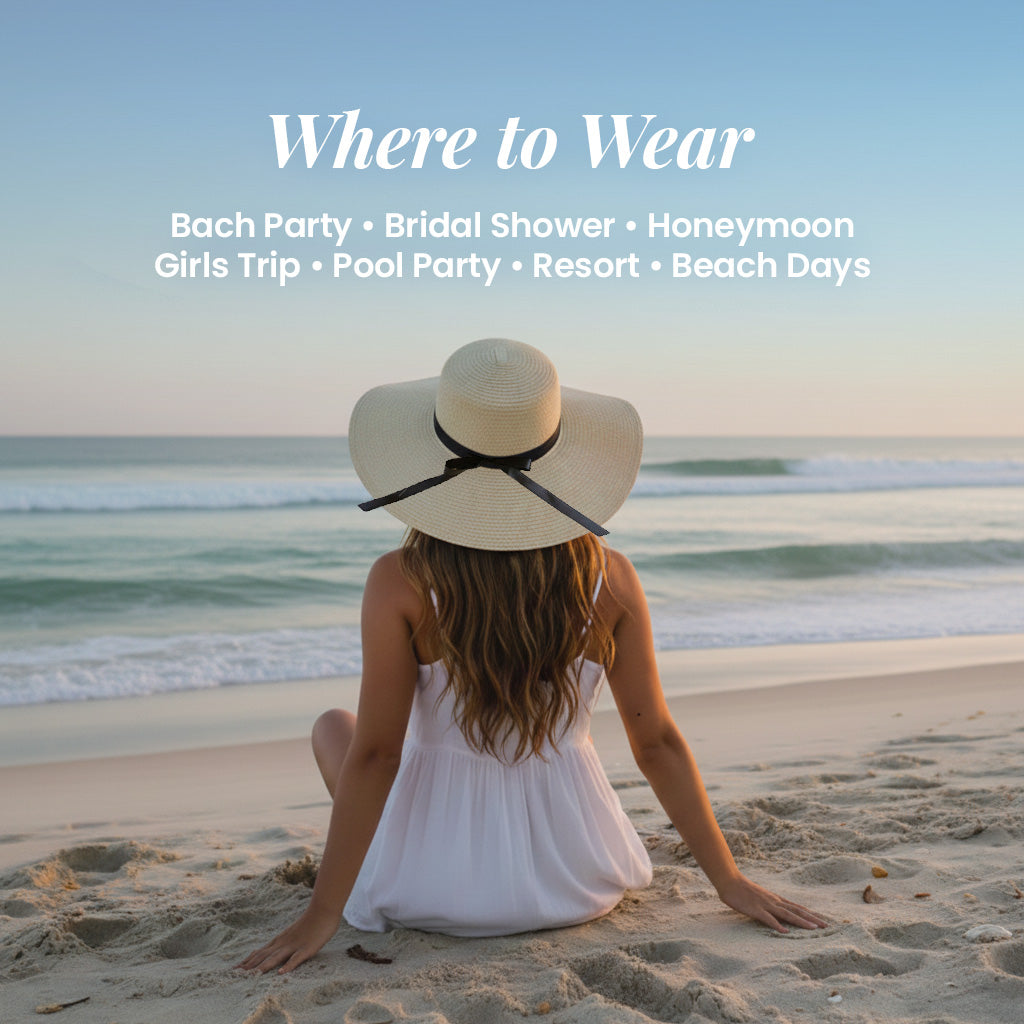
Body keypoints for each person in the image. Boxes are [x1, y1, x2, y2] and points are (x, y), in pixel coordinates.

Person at [238, 339, 825, 974]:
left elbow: (378, 756)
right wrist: (729, 881)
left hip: (434, 890)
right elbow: (655, 742)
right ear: (557, 457)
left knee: (336, 728)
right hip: (579, 878)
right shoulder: (610, 579)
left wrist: (324, 912)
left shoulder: (400, 580)